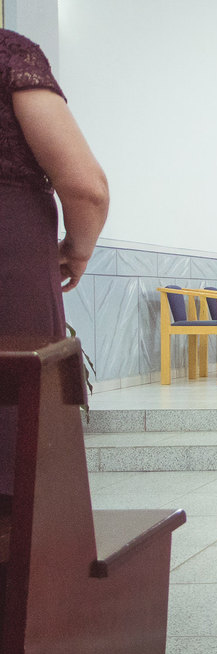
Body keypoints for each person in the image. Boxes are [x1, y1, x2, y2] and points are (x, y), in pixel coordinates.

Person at [0, 29, 109, 496]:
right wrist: (77, 248)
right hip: (10, 260)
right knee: (19, 429)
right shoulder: (10, 56)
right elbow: (86, 188)